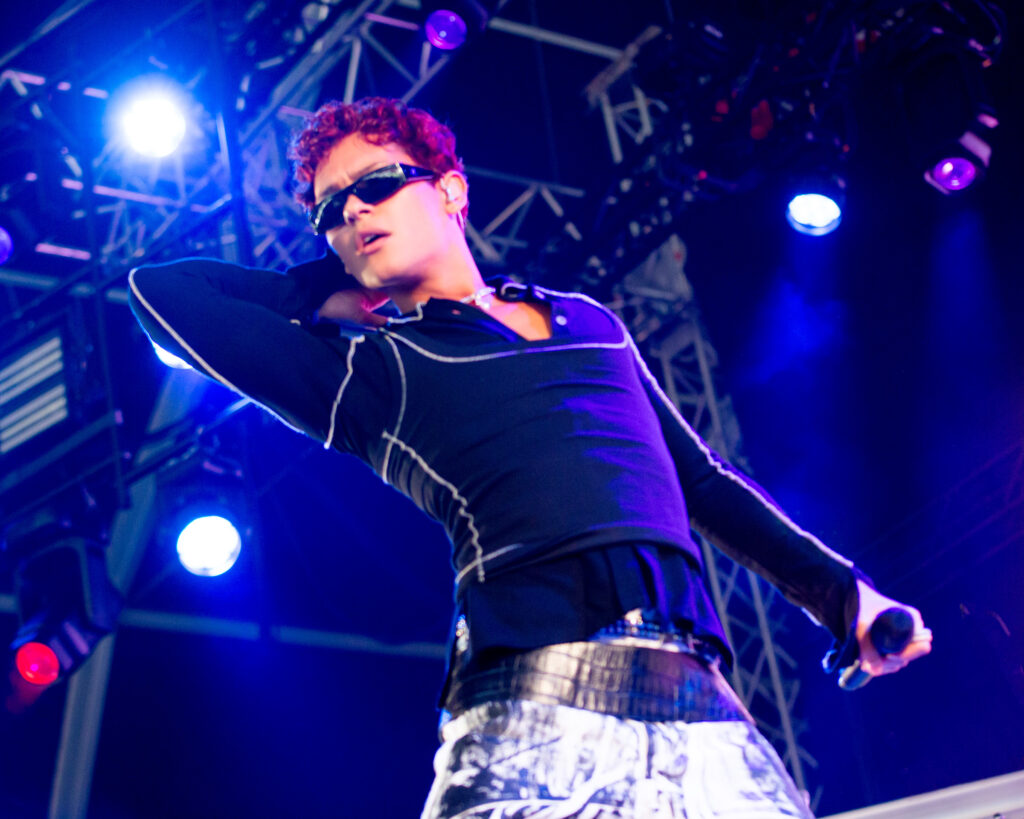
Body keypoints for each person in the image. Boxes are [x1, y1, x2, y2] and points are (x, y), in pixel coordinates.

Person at [128, 96, 932, 818]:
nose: (353, 213)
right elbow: (163, 292)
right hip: (532, 707)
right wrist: (322, 290)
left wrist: (845, 596)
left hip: (701, 701)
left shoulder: (590, 322)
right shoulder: (372, 373)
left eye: (375, 185)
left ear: (450, 190)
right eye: (330, 212)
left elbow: (703, 482)